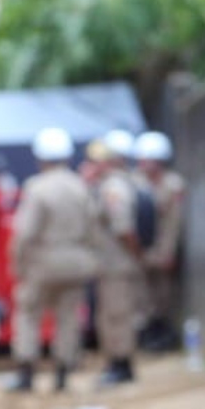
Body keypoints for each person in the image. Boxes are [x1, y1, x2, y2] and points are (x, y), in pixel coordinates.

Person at [7, 126, 99, 393]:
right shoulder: (81, 186)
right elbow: (93, 227)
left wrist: (18, 262)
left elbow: (25, 233)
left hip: (43, 263)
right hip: (76, 262)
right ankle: (62, 374)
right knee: (69, 317)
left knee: (28, 314)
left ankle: (26, 373)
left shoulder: (37, 188)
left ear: (41, 157)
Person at [84, 136, 142, 386]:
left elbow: (124, 227)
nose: (92, 165)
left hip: (117, 265)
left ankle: (122, 366)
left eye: (97, 161)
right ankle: (115, 363)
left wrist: (135, 254)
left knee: (117, 316)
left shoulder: (113, 187)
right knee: (109, 316)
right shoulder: (105, 185)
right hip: (108, 265)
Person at [133, 130, 186, 352]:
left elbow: (173, 223)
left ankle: (162, 333)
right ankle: (146, 332)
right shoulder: (135, 183)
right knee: (142, 295)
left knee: (162, 295)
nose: (147, 165)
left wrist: (168, 252)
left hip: (162, 249)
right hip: (139, 248)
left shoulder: (173, 185)